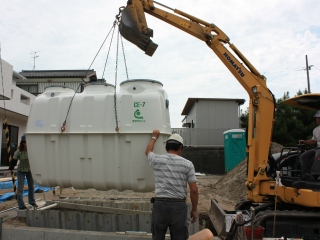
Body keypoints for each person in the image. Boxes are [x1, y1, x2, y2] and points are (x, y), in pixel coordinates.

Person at [145, 130, 198, 240]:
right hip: (178, 207)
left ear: (166, 147)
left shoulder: (157, 160)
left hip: (160, 206)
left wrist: (154, 137)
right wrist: (194, 209)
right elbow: (194, 190)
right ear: (180, 148)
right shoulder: (188, 164)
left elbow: (148, 151)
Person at [4, 135, 37, 209]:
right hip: (21, 170)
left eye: (27, 142)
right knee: (20, 188)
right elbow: (13, 161)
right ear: (22, 143)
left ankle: (32, 202)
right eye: (25, 142)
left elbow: (37, 159)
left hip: (29, 170)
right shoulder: (19, 151)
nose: (26, 144)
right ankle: (21, 205)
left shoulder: (32, 150)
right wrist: (10, 169)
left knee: (31, 186)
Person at [299, 110, 320, 177]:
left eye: (319, 118)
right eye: (317, 118)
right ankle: (306, 174)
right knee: (304, 156)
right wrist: (305, 141)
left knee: (318, 154)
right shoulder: (316, 129)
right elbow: (314, 140)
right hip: (318, 148)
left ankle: (315, 174)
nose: (318, 120)